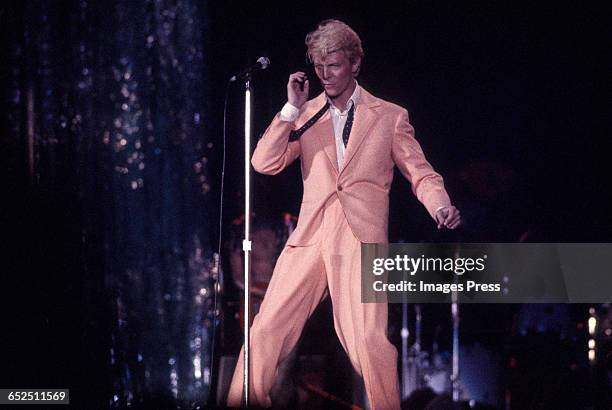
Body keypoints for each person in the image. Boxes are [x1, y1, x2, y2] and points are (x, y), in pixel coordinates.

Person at [226, 19, 461, 409]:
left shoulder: (388, 116)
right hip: (311, 234)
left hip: (359, 237)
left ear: (355, 63)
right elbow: (264, 163)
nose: (325, 74)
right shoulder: (306, 114)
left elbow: (420, 172)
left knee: (369, 341)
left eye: (333, 65)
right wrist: (289, 109)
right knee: (265, 330)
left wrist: (440, 204)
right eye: (319, 66)